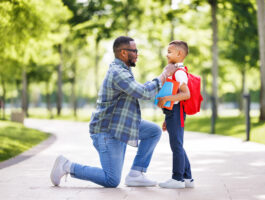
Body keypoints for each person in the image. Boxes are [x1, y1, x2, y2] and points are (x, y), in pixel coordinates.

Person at [50, 36, 177, 188]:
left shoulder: (124, 70)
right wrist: (164, 75)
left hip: (121, 126)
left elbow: (141, 90)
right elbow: (143, 92)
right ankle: (67, 166)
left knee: (153, 131)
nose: (137, 54)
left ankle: (136, 174)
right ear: (123, 53)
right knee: (111, 180)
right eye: (134, 50)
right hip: (107, 131)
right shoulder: (117, 72)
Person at [157, 40, 194, 189]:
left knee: (176, 145)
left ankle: (177, 178)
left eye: (170, 51)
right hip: (172, 113)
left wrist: (166, 99)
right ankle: (188, 178)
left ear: (179, 53)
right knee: (178, 144)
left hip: (177, 112)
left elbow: (186, 94)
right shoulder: (175, 71)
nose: (167, 55)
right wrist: (167, 117)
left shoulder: (179, 73)